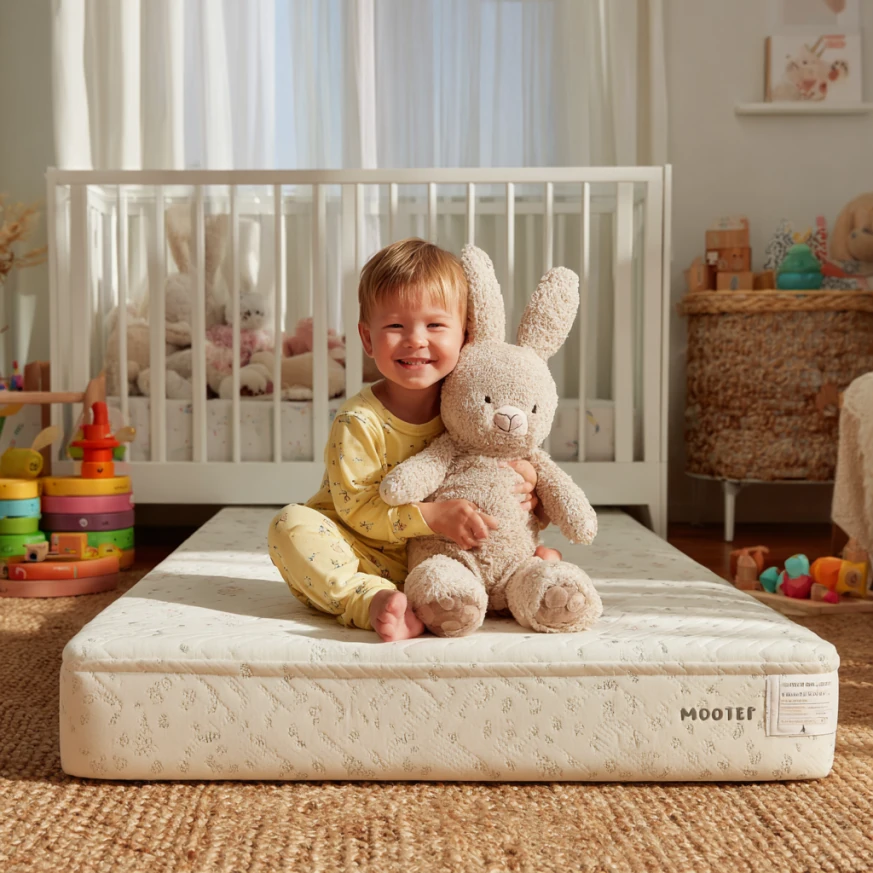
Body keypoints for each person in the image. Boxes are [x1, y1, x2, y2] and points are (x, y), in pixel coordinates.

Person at [268, 238, 559, 642]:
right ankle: (369, 602)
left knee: (503, 534)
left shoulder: (470, 408)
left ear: (466, 335)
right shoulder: (359, 420)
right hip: (362, 555)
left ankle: (516, 575)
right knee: (289, 526)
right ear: (368, 339)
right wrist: (433, 515)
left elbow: (499, 457)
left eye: (435, 325)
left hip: (446, 557)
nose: (415, 339)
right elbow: (357, 512)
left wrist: (526, 478)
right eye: (395, 326)